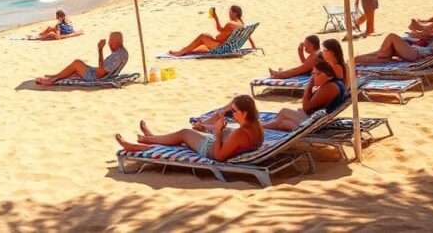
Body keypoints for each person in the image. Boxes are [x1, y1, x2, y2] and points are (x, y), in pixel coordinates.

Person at [115, 95, 263, 161]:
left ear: (244, 113)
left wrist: (218, 133)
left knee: (184, 134)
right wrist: (217, 129)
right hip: (229, 145)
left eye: (234, 111)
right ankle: (152, 137)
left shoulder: (240, 133)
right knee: (217, 129)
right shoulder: (256, 126)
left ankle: (146, 140)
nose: (232, 113)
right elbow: (236, 139)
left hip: (211, 150)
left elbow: (219, 156)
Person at [355, 6, 433, 64]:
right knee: (384, 51)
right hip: (421, 51)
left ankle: (378, 57)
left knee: (391, 37)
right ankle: (357, 59)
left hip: (421, 54)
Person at [262, 62, 347, 131]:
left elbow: (306, 107)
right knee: (284, 121)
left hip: (316, 124)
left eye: (314, 74)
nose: (313, 77)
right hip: (320, 118)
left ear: (323, 74)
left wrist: (310, 85)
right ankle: (273, 124)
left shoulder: (330, 87)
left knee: (284, 112)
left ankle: (265, 126)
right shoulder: (335, 83)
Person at [35, 32, 128, 85]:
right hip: (107, 75)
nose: (109, 44)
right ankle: (56, 76)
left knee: (77, 63)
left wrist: (100, 50)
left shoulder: (117, 55)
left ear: (115, 42)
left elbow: (100, 73)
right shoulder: (123, 53)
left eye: (110, 41)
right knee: (77, 67)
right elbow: (109, 66)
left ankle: (53, 80)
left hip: (96, 77)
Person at [169, 5, 255, 57]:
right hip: (233, 47)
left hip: (224, 49)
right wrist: (216, 18)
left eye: (230, 12)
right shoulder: (241, 24)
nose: (229, 14)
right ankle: (186, 51)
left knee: (202, 36)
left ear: (235, 13)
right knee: (205, 38)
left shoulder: (231, 24)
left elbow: (218, 38)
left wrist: (214, 37)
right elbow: (222, 30)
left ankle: (180, 52)